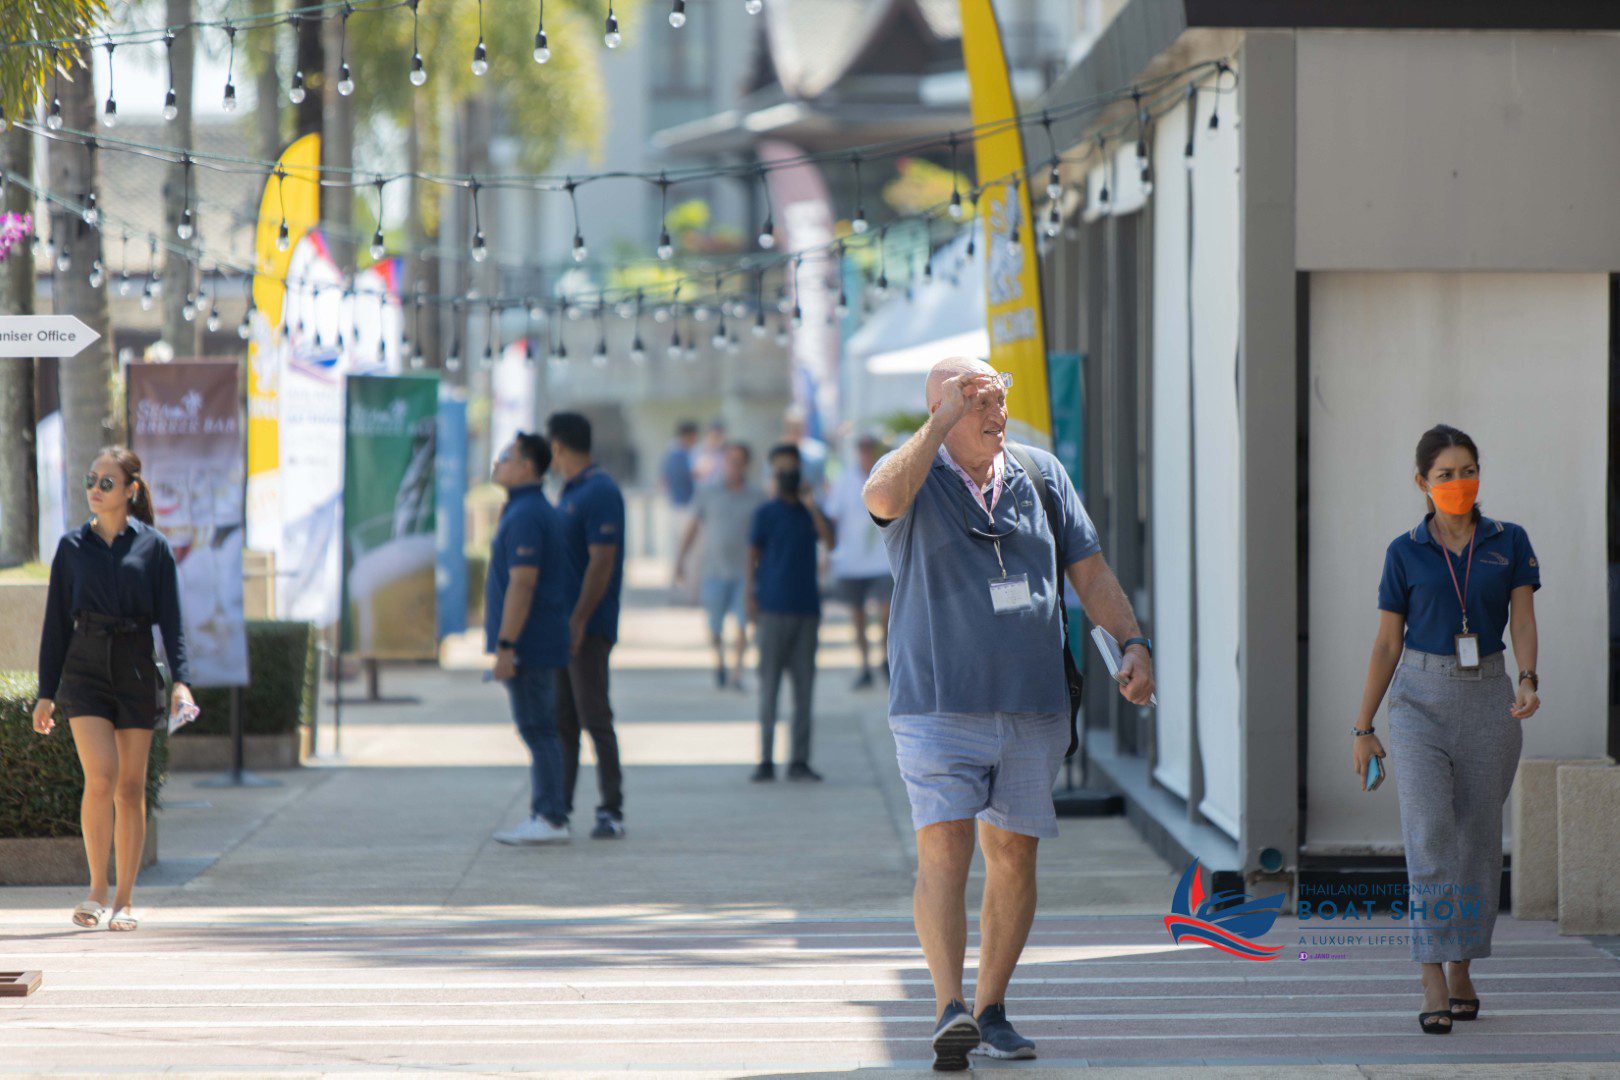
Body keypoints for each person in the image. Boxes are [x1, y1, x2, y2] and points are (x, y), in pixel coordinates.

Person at [863, 357, 1154, 1069]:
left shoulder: (1040, 473)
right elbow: (878, 496)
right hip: (938, 703)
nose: (997, 416)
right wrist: (937, 422)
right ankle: (946, 1007)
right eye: (979, 404)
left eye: (1000, 401)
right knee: (944, 846)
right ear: (943, 411)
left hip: (1033, 704)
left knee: (1015, 853)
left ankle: (990, 1008)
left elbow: (1090, 571)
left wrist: (1133, 641)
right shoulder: (915, 476)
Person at [1351, 424, 1540, 1036]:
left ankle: (1463, 964)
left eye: (1467, 471)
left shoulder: (1508, 541)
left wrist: (1529, 679)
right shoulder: (1404, 551)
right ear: (1421, 484)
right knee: (1430, 832)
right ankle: (1430, 972)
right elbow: (1386, 642)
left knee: (1477, 840)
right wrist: (1363, 725)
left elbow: (1522, 616)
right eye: (1444, 474)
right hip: (1418, 699)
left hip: (1489, 693)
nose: (1458, 483)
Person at [32, 446, 195, 933]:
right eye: (90, 480)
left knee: (129, 788)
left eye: (106, 482)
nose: (95, 490)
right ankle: (95, 892)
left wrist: (182, 680)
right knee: (100, 778)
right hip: (83, 670)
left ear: (130, 490)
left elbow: (174, 622)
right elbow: (55, 624)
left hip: (135, 671)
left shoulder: (154, 548)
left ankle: (124, 900)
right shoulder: (71, 547)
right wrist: (46, 691)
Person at [487, 433, 574, 846]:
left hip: (530, 644)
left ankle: (551, 817)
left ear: (527, 467)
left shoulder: (526, 515)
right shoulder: (527, 509)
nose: (497, 463)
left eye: (505, 457)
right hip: (536, 639)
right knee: (540, 729)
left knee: (539, 729)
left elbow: (523, 584)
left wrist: (507, 646)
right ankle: (548, 812)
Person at [547, 411, 629, 840]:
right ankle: (557, 810)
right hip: (564, 626)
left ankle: (611, 809)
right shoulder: (570, 490)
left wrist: (579, 620)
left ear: (558, 446)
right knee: (563, 720)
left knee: (594, 715)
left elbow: (602, 561)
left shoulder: (599, 491)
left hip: (588, 627)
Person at [746, 443, 833, 782]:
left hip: (806, 609)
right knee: (768, 687)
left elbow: (830, 541)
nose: (787, 477)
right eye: (781, 471)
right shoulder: (765, 513)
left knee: (804, 689)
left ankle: (799, 760)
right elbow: (752, 554)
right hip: (772, 609)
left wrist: (810, 505)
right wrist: (749, 596)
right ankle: (765, 759)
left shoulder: (810, 512)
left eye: (792, 471)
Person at [676, 442, 764, 691]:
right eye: (730, 461)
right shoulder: (707, 492)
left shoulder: (757, 496)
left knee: (743, 623)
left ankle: (736, 673)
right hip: (714, 570)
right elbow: (692, 527)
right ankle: (719, 663)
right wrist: (681, 560)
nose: (734, 467)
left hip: (745, 572)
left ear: (746, 464)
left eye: (739, 461)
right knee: (714, 626)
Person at [828, 433, 893, 689]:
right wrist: (830, 554)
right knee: (858, 616)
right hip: (852, 560)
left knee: (886, 614)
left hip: (882, 559)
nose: (866, 454)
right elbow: (833, 519)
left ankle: (885, 659)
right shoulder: (844, 481)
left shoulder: (886, 476)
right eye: (862, 449)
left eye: (869, 449)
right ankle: (864, 664)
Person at [660, 421, 701, 597]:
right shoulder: (680, 456)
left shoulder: (672, 454)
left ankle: (679, 588)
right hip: (685, 507)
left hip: (676, 506)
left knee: (677, 549)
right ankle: (688, 590)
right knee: (689, 552)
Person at [780, 406, 829, 496]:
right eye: (791, 426)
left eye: (798, 426)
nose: (794, 430)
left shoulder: (818, 451)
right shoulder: (778, 451)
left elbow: (825, 481)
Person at [692, 419, 728, 488]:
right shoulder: (697, 450)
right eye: (713, 436)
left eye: (719, 436)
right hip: (700, 491)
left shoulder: (726, 453)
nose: (716, 440)